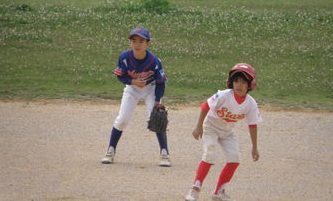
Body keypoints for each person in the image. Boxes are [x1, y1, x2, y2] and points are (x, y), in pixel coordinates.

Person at [185, 63, 262, 201]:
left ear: (250, 85)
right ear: (231, 82)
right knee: (210, 153)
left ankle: (218, 192)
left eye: (243, 82)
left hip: (227, 132)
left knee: (234, 159)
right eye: (236, 81)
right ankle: (195, 189)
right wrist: (199, 127)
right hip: (211, 127)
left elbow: (253, 125)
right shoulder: (223, 95)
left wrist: (254, 147)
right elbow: (205, 106)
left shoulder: (251, 103)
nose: (239, 85)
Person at [101, 26, 170, 167]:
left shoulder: (154, 61)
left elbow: (161, 83)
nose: (137, 44)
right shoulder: (124, 57)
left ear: (148, 43)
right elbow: (120, 77)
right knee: (122, 120)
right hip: (132, 89)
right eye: (134, 41)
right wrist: (132, 81)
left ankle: (165, 154)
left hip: (151, 90)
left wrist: (157, 101)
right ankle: (110, 151)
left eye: (141, 41)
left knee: (157, 120)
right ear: (130, 43)